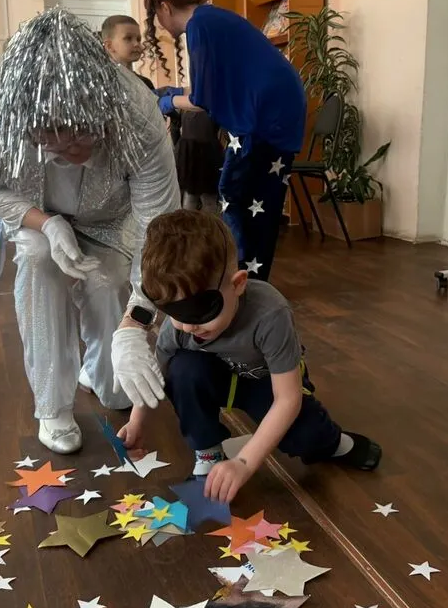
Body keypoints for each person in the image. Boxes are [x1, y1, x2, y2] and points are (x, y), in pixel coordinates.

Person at [0, 7, 180, 454]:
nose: (72, 148)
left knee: (109, 282)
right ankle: (52, 404)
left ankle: (101, 371)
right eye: (54, 136)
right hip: (33, 210)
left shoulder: (136, 111)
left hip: (112, 213)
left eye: (82, 135)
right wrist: (46, 223)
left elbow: (158, 225)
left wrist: (138, 320)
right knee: (40, 263)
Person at [118, 210, 381, 503]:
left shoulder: (270, 313)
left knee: (307, 437)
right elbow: (154, 375)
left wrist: (244, 463)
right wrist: (136, 421)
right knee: (182, 369)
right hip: (218, 377)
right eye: (175, 313)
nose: (189, 326)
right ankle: (208, 454)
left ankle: (334, 442)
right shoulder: (179, 328)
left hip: (268, 380)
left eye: (199, 311)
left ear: (238, 283)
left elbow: (287, 399)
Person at [145, 0, 306, 283]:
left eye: (156, 17)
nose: (159, 25)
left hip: (263, 120)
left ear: (164, 7)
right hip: (274, 116)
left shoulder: (200, 26)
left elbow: (202, 100)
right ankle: (248, 278)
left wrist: (166, 101)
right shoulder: (211, 18)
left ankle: (244, 282)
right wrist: (175, 93)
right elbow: (209, 89)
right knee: (248, 199)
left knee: (239, 199)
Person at [175, 110, 223, 214]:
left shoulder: (213, 105)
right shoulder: (185, 105)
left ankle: (204, 223)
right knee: (191, 199)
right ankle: (189, 223)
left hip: (207, 155)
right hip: (190, 155)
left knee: (206, 200)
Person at [101, 14, 154, 92]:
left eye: (138, 39)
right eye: (128, 38)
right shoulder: (102, 84)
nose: (136, 44)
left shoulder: (146, 83)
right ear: (109, 46)